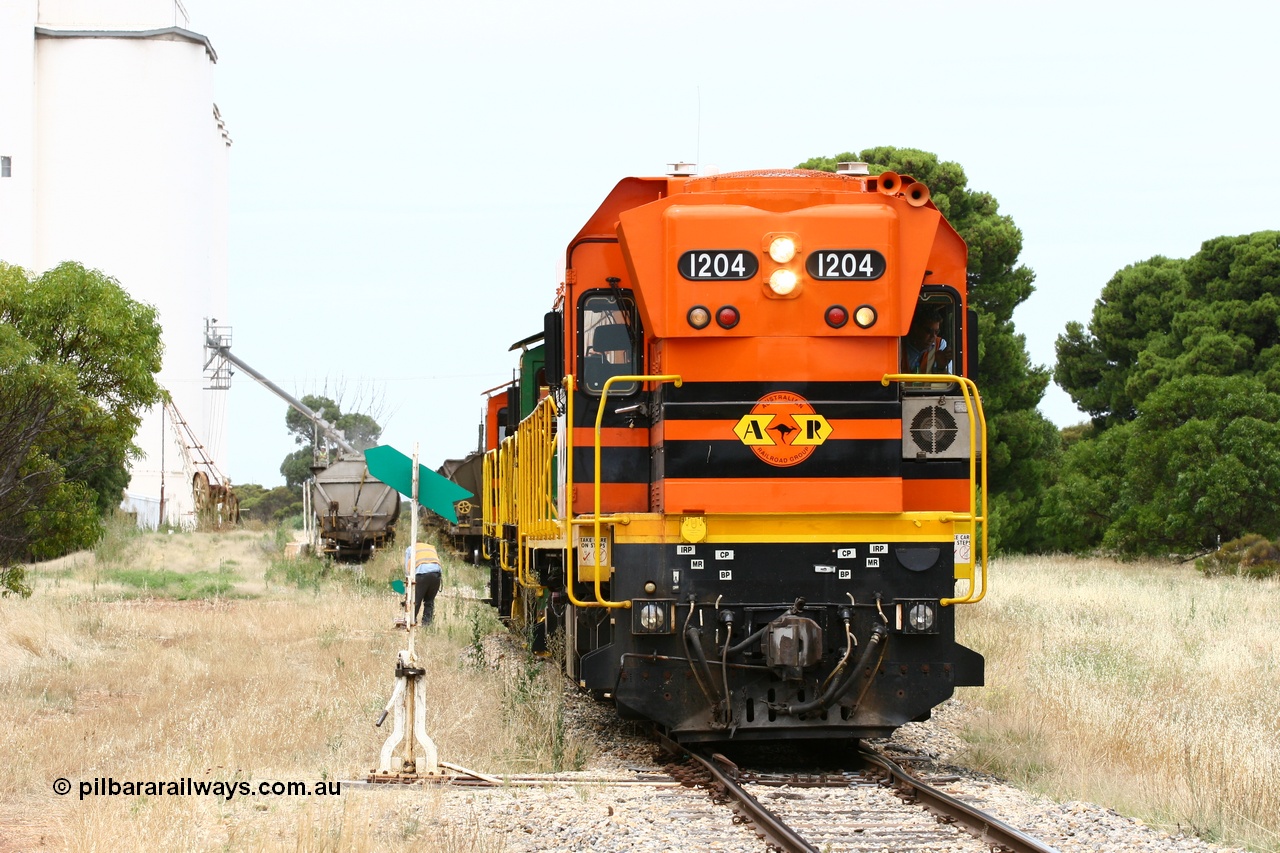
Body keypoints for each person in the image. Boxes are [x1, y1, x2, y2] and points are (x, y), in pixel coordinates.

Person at [901, 305, 954, 374]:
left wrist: (941, 367)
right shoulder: (899, 344)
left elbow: (949, 382)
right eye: (929, 331)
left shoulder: (940, 344)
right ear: (916, 329)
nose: (933, 336)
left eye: (936, 332)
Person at [406, 541, 443, 626]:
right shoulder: (431, 547)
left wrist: (408, 583)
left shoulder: (410, 548)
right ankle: (427, 624)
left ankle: (411, 621)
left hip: (421, 574)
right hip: (436, 574)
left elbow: (407, 570)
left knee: (416, 600)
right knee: (429, 601)